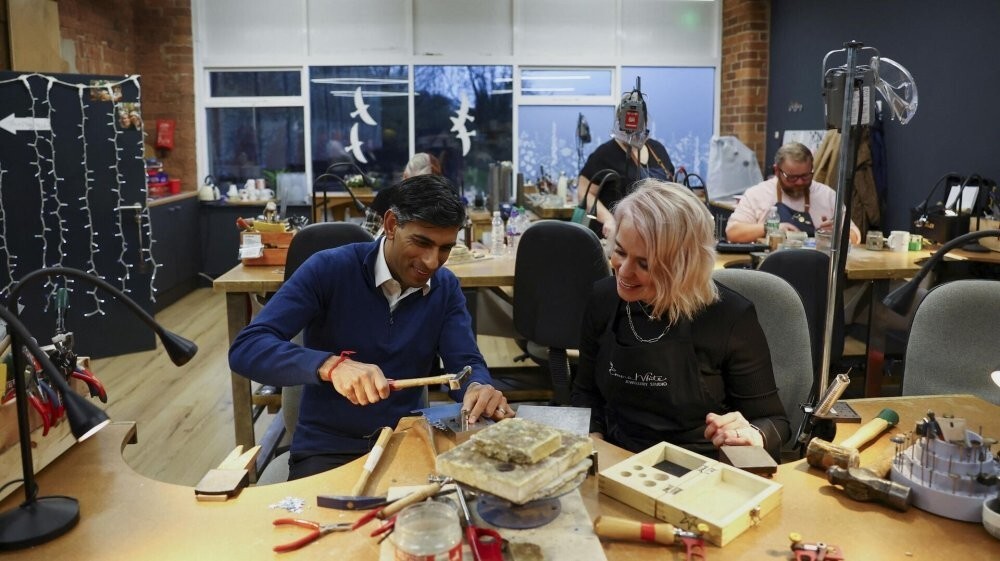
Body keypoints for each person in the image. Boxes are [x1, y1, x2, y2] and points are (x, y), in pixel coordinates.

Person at [229, 174, 514, 480]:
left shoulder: (445, 288)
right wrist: (330, 366)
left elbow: (466, 363)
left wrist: (477, 387)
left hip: (405, 441)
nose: (432, 262)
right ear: (391, 225)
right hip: (328, 447)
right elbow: (248, 347)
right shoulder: (328, 269)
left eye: (445, 248)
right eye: (421, 242)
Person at [571, 179, 789, 462]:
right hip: (620, 458)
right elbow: (586, 392)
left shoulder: (729, 317)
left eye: (645, 263)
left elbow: (776, 422)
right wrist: (595, 441)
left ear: (683, 266)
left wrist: (753, 434)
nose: (623, 271)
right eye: (621, 252)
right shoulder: (603, 299)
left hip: (700, 467)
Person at [576, 88, 675, 239]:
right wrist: (608, 219)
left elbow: (671, 188)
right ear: (620, 120)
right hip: (615, 236)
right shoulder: (604, 154)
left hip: (655, 234)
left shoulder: (658, 150)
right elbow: (585, 193)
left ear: (645, 121)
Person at [725, 142, 861, 244]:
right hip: (770, 270)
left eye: (805, 176)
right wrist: (770, 228)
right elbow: (733, 232)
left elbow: (855, 237)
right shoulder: (757, 194)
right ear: (777, 171)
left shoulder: (827, 196)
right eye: (792, 177)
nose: (799, 182)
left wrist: (837, 233)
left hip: (816, 268)